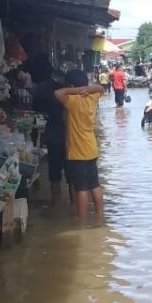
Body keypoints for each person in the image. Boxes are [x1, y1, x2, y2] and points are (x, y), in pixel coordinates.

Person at [56, 69, 105, 220]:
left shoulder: (73, 101)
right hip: (91, 148)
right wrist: (87, 89)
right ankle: (99, 216)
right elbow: (101, 88)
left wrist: (76, 90)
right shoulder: (92, 98)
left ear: (72, 85)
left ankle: (82, 221)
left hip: (78, 151)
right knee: (94, 185)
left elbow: (58, 93)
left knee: (81, 188)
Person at [32, 68, 68, 208]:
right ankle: (73, 203)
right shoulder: (68, 95)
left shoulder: (43, 89)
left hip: (53, 133)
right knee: (71, 173)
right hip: (68, 136)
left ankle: (55, 202)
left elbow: (36, 107)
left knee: (54, 170)